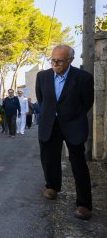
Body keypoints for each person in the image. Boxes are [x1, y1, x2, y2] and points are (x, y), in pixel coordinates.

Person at [36, 44, 94, 220]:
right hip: (49, 125)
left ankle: (84, 204)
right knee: (49, 159)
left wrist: (71, 115)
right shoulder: (42, 76)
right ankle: (52, 186)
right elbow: (42, 100)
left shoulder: (84, 78)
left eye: (59, 61)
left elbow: (87, 103)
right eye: (52, 60)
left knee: (78, 164)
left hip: (73, 125)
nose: (54, 64)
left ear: (70, 60)